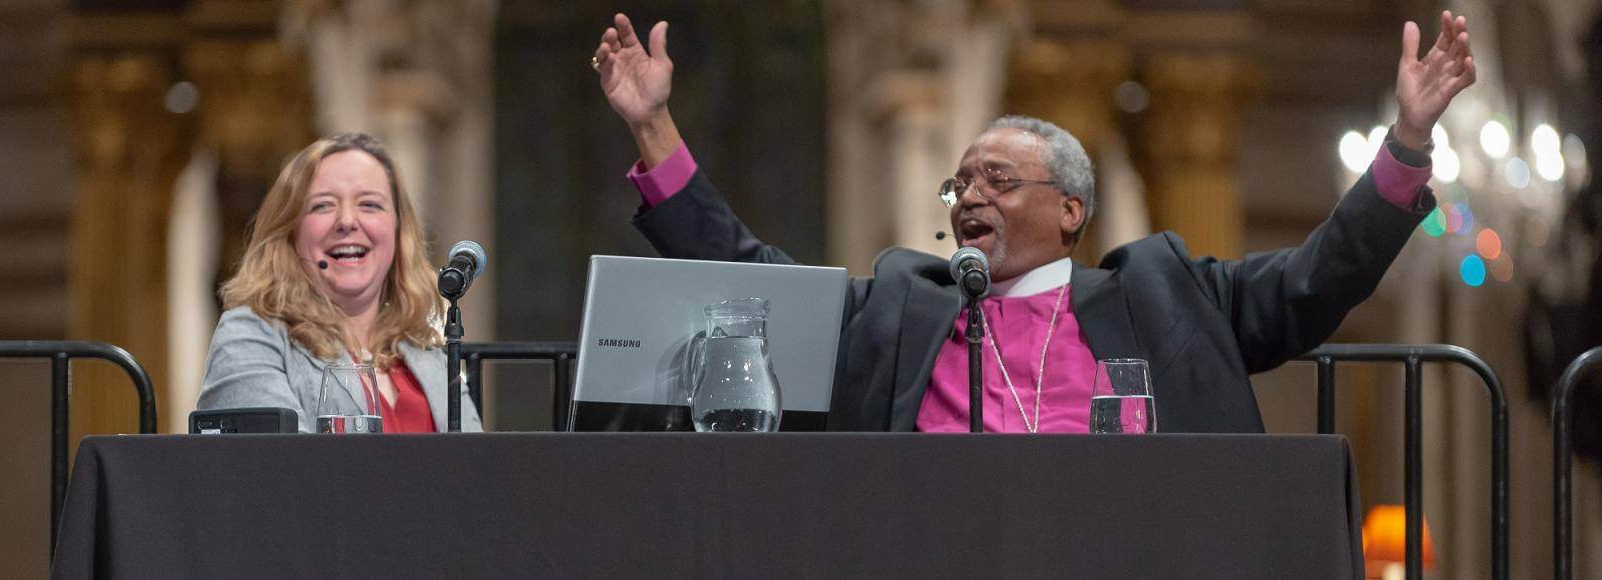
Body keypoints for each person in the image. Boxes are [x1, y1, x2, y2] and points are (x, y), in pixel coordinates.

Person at [593, 12, 1476, 432]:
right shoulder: (904, 301)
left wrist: (1406, 141)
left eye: (999, 180)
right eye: (961, 182)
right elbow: (755, 276)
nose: (970, 194)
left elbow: (1316, 280)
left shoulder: (1162, 291)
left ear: (1069, 210)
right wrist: (653, 127)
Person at [197, 133, 482, 432]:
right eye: (322, 206)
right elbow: (279, 471)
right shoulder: (249, 336)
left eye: (369, 205)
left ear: (399, 233)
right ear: (289, 232)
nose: (347, 220)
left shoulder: (426, 352)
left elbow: (479, 469)